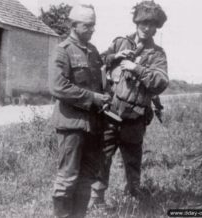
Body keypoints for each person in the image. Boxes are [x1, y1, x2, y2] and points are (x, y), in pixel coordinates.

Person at [91, 1, 169, 207]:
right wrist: (115, 56)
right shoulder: (120, 43)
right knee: (102, 158)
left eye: (152, 25)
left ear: (156, 27)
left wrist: (137, 68)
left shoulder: (157, 54)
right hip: (110, 114)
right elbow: (98, 60)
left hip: (134, 119)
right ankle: (97, 200)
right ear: (136, 22)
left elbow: (161, 82)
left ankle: (134, 199)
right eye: (143, 23)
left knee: (133, 162)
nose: (147, 28)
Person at [49, 4, 111, 218]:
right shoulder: (62, 50)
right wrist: (92, 98)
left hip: (93, 126)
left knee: (86, 178)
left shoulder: (93, 52)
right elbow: (58, 87)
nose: (93, 29)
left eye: (94, 25)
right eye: (88, 25)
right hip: (71, 125)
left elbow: (100, 84)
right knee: (67, 179)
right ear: (74, 25)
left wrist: (105, 96)